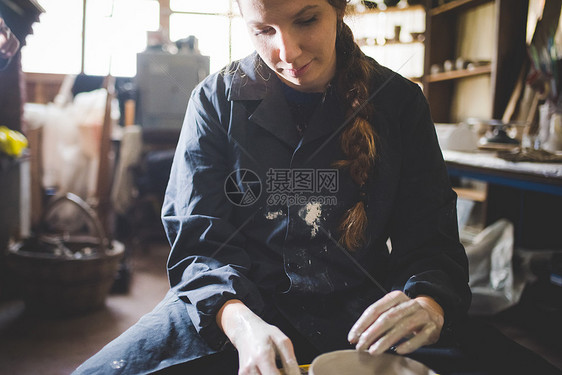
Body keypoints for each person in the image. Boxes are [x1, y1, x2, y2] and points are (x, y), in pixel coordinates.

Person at [73, 1, 561, 374]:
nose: (286, 52)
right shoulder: (216, 100)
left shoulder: (399, 104)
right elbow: (198, 245)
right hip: (234, 307)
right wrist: (242, 325)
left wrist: (428, 304)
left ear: (339, 8)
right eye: (263, 29)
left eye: (305, 20)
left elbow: (431, 242)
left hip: (365, 315)